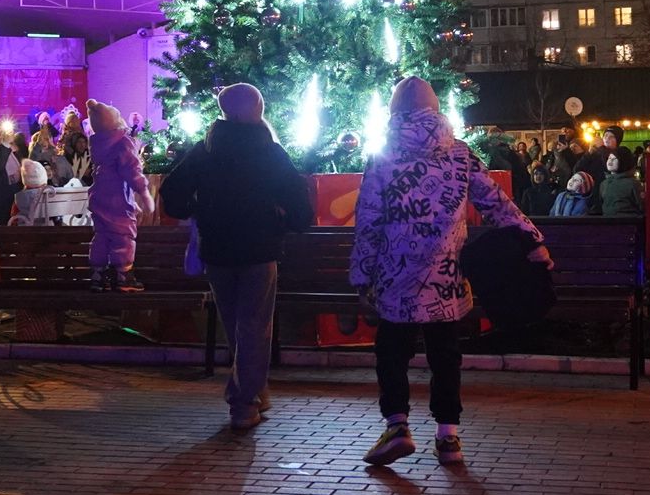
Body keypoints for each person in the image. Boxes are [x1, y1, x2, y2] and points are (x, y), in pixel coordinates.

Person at [349, 77, 550, 468]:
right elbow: (496, 202)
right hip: (446, 276)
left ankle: (397, 425)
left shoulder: (383, 156)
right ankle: (448, 437)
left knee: (392, 351)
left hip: (396, 277)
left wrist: (362, 275)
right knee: (445, 354)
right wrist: (533, 240)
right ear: (436, 109)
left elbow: (368, 222)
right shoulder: (459, 154)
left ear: (394, 111)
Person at [160, 83, 314, 432]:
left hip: (217, 248)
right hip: (259, 248)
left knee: (235, 324)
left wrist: (198, 211)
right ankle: (244, 401)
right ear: (258, 108)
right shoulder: (269, 151)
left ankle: (254, 391)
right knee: (255, 325)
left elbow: (172, 192)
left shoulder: (206, 150)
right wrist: (283, 221)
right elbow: (299, 203)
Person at [85, 98, 156, 291]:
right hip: (117, 200)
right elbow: (131, 169)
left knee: (101, 235)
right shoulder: (122, 141)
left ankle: (98, 274)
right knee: (123, 234)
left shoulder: (98, 143)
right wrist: (144, 193)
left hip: (99, 198)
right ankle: (123, 274)